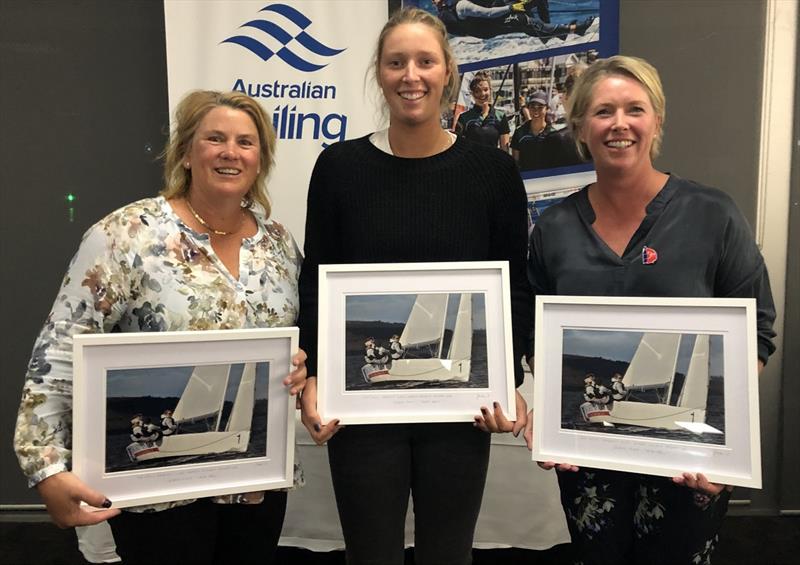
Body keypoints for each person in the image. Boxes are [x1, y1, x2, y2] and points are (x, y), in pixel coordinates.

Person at [13, 90, 307, 565]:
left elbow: (294, 342)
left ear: (261, 160)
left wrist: (298, 366)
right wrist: (46, 465)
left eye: (246, 143)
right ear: (188, 153)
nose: (231, 152)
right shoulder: (127, 233)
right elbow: (62, 349)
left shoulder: (279, 246)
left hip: (255, 482)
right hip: (156, 493)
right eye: (215, 138)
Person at [297, 8, 531, 564]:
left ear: (447, 70)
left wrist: (507, 373)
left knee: (448, 555)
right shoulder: (338, 168)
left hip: (460, 406)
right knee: (370, 554)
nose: (411, 76)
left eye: (425, 61)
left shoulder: (494, 172)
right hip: (360, 407)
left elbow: (515, 287)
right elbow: (316, 282)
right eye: (396, 62)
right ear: (378, 73)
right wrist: (315, 374)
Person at [525, 55, 776, 564]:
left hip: (691, 459)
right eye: (603, 112)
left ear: (657, 120)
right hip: (588, 460)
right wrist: (545, 417)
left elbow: (757, 333)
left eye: (634, 109)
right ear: (579, 127)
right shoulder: (552, 229)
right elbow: (536, 338)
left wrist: (732, 439)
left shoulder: (712, 214)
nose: (619, 124)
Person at [433, 0, 591, 41]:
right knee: (523, 21)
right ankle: (575, 29)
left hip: (490, 18)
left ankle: (549, 32)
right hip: (489, 26)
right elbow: (488, 14)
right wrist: (512, 8)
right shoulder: (461, 5)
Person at [455, 71, 510, 150]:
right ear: (472, 94)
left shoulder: (500, 116)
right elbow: (459, 147)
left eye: (485, 89)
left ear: (490, 90)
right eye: (477, 91)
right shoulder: (464, 118)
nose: (482, 94)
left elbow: (504, 149)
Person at [511, 91, 556, 171]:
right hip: (526, 180)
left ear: (547, 109)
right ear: (528, 109)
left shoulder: (554, 134)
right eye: (532, 107)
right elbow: (515, 162)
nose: (536, 110)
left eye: (540, 107)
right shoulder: (519, 133)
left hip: (548, 180)